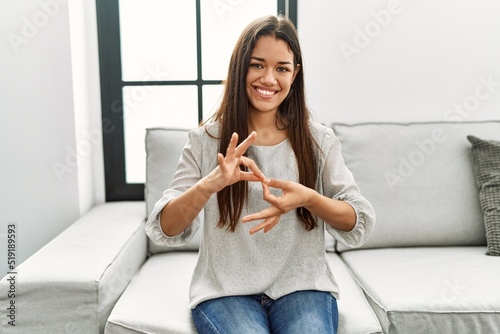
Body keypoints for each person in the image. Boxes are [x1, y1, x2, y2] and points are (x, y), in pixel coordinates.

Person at [145, 14, 375, 334]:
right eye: (257, 65)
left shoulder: (318, 140)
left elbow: (357, 220)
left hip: (303, 287)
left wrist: (308, 198)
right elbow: (165, 228)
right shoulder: (204, 141)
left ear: (295, 74)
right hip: (226, 293)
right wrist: (209, 184)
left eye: (281, 68)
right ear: (240, 67)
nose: (269, 78)